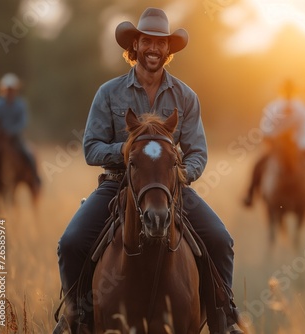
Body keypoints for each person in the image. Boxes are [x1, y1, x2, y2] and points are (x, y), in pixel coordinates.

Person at [55, 8, 242, 334]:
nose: (154, 48)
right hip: (118, 185)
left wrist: (180, 173)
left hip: (172, 187)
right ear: (135, 46)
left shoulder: (186, 97)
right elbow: (90, 148)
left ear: (168, 50)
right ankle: (76, 319)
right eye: (147, 42)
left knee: (221, 240)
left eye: (160, 43)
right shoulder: (109, 93)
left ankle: (224, 321)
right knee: (70, 243)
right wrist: (130, 153)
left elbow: (197, 151)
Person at [243, 79, 305, 206]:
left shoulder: (302, 108)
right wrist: (273, 140)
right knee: (258, 164)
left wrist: (302, 145)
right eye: (286, 90)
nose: (288, 94)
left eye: (290, 91)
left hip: (298, 146)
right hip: (277, 146)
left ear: (294, 92)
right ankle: (251, 194)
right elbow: (266, 127)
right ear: (281, 91)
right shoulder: (273, 107)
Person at [0, 73, 41, 186]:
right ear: (3, 90)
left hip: (15, 137)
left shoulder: (20, 104)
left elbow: (23, 122)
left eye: (11, 89)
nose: (9, 92)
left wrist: (11, 131)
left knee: (27, 153)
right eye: (7, 89)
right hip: (0, 137)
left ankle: (34, 176)